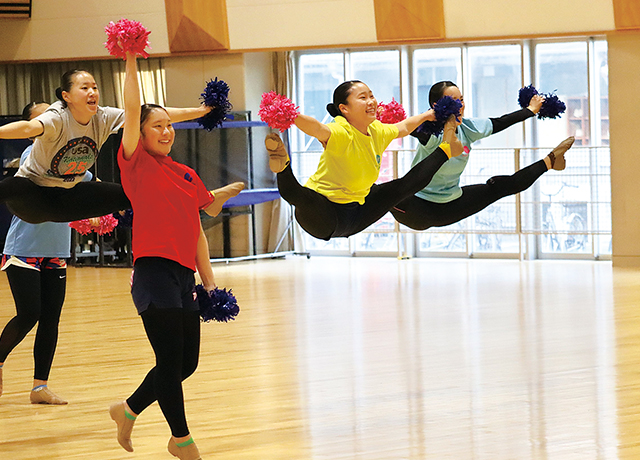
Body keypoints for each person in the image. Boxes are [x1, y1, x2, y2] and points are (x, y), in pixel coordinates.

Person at [108, 52, 243, 460]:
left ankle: (128, 410)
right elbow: (132, 109)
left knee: (185, 364)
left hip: (185, 276)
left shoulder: (186, 174)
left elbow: (197, 229)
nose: (167, 132)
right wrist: (131, 57)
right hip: (152, 271)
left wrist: (210, 285)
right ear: (140, 132)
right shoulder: (135, 164)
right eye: (158, 126)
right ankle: (180, 439)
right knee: (168, 359)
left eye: (170, 125)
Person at [0, 68, 211, 224]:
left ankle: (201, 201)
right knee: (15, 184)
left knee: (130, 194)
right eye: (84, 88)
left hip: (66, 200)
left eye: (94, 87)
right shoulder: (57, 118)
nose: (92, 92)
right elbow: (27, 129)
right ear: (67, 96)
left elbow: (149, 113)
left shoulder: (103, 117)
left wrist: (200, 111)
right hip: (33, 199)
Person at [265, 80, 464, 241]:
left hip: (355, 216)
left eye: (371, 95)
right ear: (344, 109)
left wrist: (428, 115)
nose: (371, 101)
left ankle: (445, 149)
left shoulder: (377, 129)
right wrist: (291, 115)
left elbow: (403, 128)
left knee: (403, 187)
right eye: (363, 97)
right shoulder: (341, 131)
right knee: (299, 195)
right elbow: (318, 128)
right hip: (321, 215)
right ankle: (283, 167)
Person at [0, 101, 92, 405]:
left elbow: (89, 183)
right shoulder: (32, 155)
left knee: (51, 318)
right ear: (30, 130)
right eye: (42, 118)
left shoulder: (71, 160)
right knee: (30, 313)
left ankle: (40, 387)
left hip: (56, 249)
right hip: (24, 249)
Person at [390, 80, 575, 230]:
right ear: (437, 106)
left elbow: (501, 122)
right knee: (380, 193)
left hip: (448, 207)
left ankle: (551, 161)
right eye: (454, 100)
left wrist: (531, 110)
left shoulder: (468, 128)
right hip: (416, 209)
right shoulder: (429, 133)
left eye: (461, 99)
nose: (460, 105)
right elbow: (404, 127)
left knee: (498, 186)